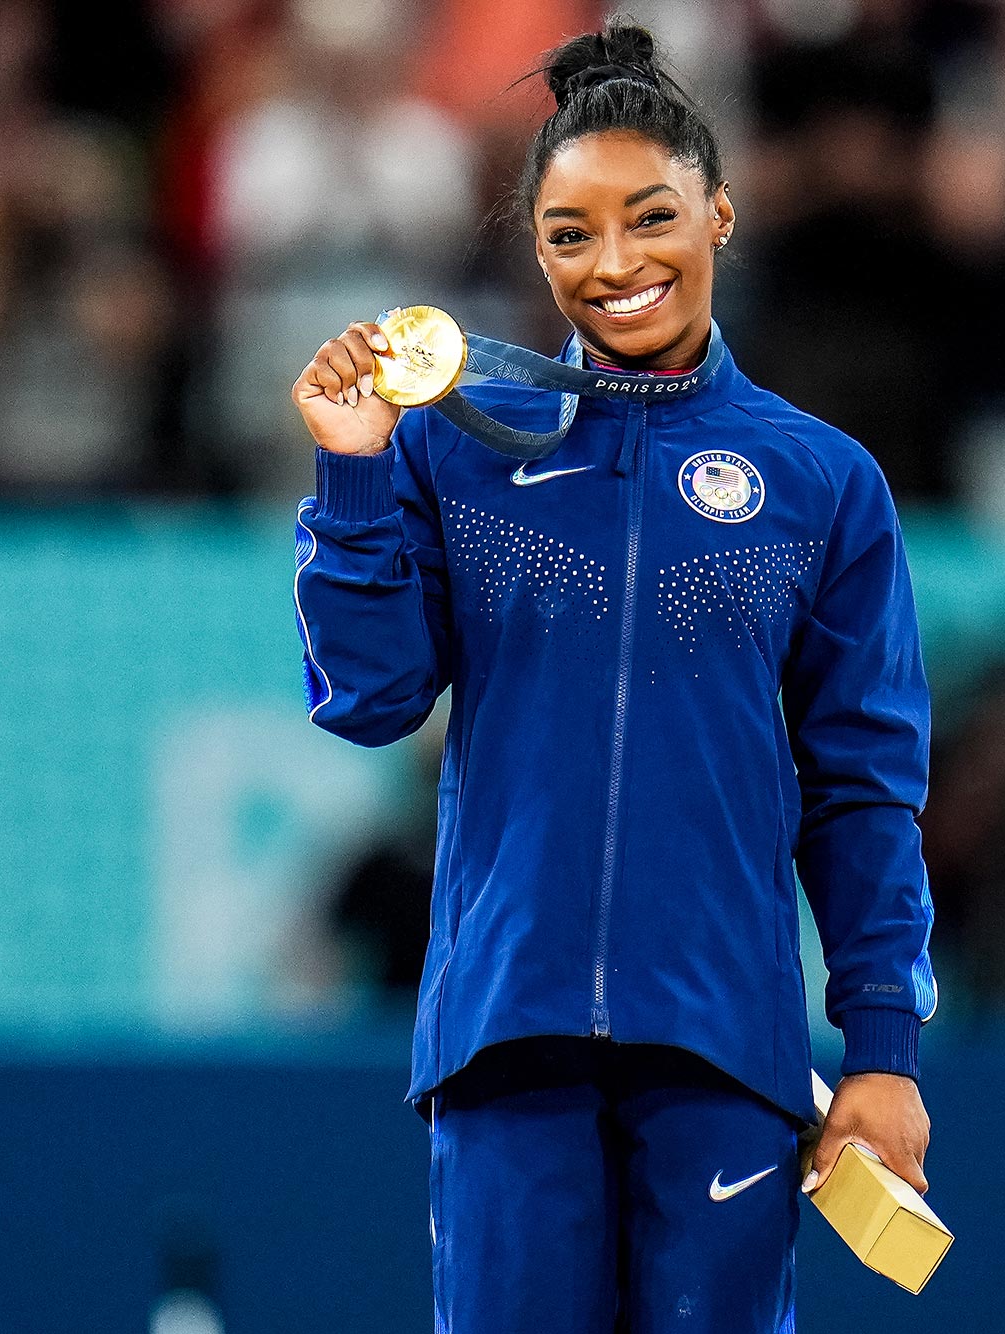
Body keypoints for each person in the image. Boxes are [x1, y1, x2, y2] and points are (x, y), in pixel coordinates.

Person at [288, 23, 935, 1333]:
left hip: (723, 1051)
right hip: (506, 1041)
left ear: (721, 214)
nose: (618, 263)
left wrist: (883, 1052)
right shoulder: (455, 455)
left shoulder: (820, 484)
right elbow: (369, 697)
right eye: (571, 233)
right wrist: (353, 469)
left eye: (652, 218)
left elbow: (863, 792)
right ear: (536, 249)